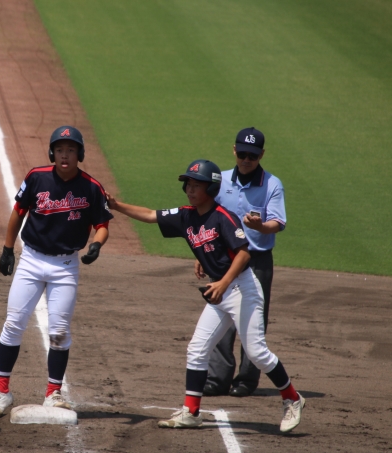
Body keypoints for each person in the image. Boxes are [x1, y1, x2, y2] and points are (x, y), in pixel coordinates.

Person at [106, 159, 304, 432]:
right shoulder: (186, 215)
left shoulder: (224, 217)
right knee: (197, 349)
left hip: (242, 289)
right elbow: (151, 215)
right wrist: (116, 206)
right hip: (219, 292)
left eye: (196, 185)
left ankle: (293, 398)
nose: (189, 189)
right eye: (188, 184)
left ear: (210, 188)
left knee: (257, 352)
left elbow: (244, 254)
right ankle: (191, 412)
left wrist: (223, 283)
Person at [0, 126, 113, 420]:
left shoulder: (92, 187)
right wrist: (7, 249)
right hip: (31, 260)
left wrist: (96, 245)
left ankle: (53, 393)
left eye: (71, 150)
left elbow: (102, 225)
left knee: (59, 331)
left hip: (65, 267)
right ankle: (1, 392)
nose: (65, 155)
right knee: (13, 324)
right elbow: (18, 212)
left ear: (80, 154)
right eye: (60, 150)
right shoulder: (37, 177)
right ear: (52, 153)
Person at [200, 127, 287, 398]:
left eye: (253, 155)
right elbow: (207, 217)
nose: (247, 160)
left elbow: (278, 223)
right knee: (220, 312)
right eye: (243, 154)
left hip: (257, 260)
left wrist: (261, 226)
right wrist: (201, 254)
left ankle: (247, 380)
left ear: (262, 155)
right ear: (234, 150)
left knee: (252, 319)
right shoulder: (221, 180)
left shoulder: (272, 184)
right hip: (222, 259)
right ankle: (218, 378)